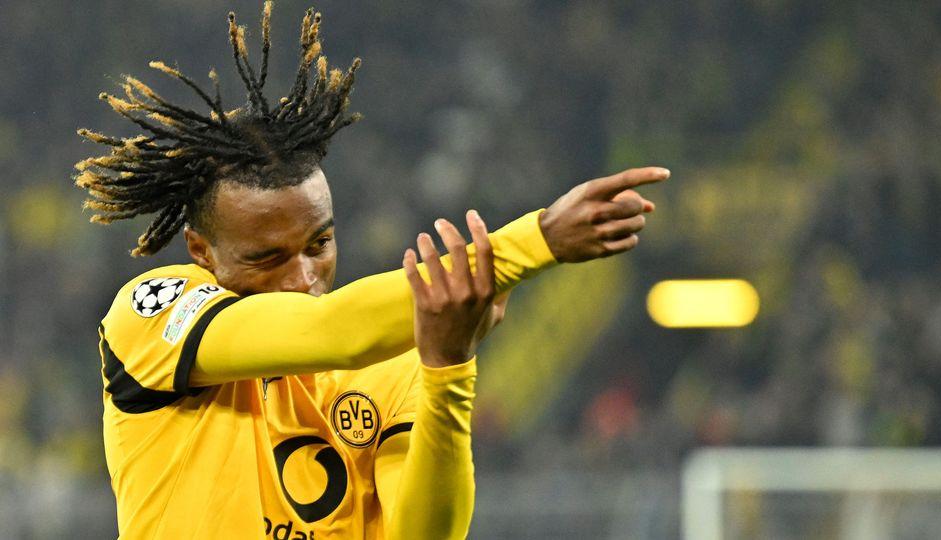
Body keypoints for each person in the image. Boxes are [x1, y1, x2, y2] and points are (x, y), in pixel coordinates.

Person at [75, 3, 668, 538]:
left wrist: (447, 367)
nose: (303, 278)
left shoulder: (393, 360)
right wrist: (536, 242)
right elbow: (333, 331)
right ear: (201, 250)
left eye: (319, 244)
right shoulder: (151, 315)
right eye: (266, 258)